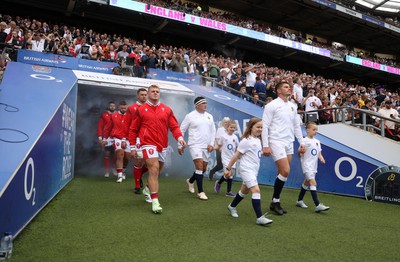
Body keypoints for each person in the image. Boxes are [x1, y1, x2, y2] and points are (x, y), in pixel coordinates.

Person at [129, 85, 186, 214]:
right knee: (153, 170)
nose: (155, 93)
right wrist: (132, 146)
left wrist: (180, 139)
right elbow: (133, 129)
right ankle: (155, 201)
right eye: (153, 92)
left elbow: (174, 127)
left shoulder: (167, 110)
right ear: (148, 94)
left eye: (157, 92)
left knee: (158, 170)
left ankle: (148, 189)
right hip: (147, 143)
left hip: (162, 145)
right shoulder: (141, 109)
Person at [262, 81, 305, 216]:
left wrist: (302, 142)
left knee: (282, 172)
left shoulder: (292, 106)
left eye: (290, 87)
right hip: (276, 141)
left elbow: (296, 126)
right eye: (286, 87)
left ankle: (275, 201)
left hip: (289, 142)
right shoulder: (271, 105)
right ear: (279, 91)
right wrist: (265, 145)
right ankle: (275, 201)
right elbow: (264, 126)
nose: (290, 88)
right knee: (286, 171)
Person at [225, 117, 273, 226]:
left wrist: (263, 153)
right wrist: (228, 168)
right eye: (258, 127)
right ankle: (259, 218)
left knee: (244, 191)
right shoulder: (246, 141)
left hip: (254, 169)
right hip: (246, 169)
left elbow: (253, 153)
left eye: (261, 127)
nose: (260, 129)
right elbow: (236, 155)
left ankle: (231, 206)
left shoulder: (257, 140)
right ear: (251, 127)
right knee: (256, 190)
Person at [180, 96, 216, 200]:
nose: (205, 105)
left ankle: (190, 181)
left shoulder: (209, 116)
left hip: (206, 146)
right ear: (197, 105)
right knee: (199, 166)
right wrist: (180, 144)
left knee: (203, 169)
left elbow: (213, 131)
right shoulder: (190, 116)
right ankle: (201, 192)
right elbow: (181, 130)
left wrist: (211, 144)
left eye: (206, 103)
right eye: (203, 103)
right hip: (195, 145)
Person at [296, 122, 330, 213]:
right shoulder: (304, 141)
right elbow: (299, 153)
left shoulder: (317, 142)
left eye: (316, 130)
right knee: (313, 183)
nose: (315, 131)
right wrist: (300, 151)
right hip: (307, 165)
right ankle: (317, 205)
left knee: (306, 182)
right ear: (307, 130)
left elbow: (319, 153)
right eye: (313, 129)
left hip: (314, 166)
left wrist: (321, 158)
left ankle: (299, 200)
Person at [124, 88, 148, 194]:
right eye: (142, 94)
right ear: (137, 96)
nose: (144, 96)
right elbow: (127, 125)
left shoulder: (150, 107)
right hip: (137, 138)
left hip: (149, 138)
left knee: (151, 163)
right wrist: (125, 139)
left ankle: (140, 174)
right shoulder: (132, 108)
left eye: (145, 94)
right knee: (138, 161)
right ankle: (137, 185)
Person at [104, 101, 130, 183]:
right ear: (119, 107)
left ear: (127, 108)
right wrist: (104, 138)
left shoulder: (130, 116)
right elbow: (108, 127)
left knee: (127, 157)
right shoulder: (114, 116)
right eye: (122, 108)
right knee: (120, 155)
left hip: (128, 139)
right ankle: (119, 175)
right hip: (117, 138)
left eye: (125, 108)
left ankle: (124, 170)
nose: (123, 109)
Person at [214, 120, 239, 197]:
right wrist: (213, 148)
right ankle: (219, 183)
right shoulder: (223, 136)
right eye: (231, 127)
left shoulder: (235, 137)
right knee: (227, 173)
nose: (232, 129)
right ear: (227, 127)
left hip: (233, 158)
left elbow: (238, 147)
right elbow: (219, 146)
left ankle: (228, 191)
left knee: (231, 174)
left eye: (234, 127)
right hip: (225, 158)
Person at [97, 101, 116, 177]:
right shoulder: (104, 115)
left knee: (116, 154)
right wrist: (100, 138)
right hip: (106, 138)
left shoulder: (117, 115)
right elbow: (100, 127)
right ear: (108, 106)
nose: (112, 107)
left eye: (113, 106)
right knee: (107, 154)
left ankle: (114, 169)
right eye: (111, 106)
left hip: (115, 137)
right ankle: (107, 171)